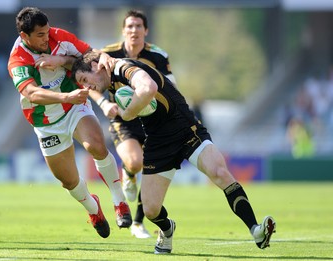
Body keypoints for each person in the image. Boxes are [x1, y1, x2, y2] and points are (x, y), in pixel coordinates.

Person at [71, 51, 277, 254]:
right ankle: (167, 230)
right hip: (158, 142)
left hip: (185, 129)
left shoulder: (122, 68)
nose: (86, 87)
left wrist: (127, 112)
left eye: (84, 79)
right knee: (150, 209)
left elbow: (148, 87)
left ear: (97, 66)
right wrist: (54, 59)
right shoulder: (107, 75)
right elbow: (72, 57)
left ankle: (256, 230)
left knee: (220, 173)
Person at [7, 7, 132, 239]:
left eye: (47, 32)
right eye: (40, 35)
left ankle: (119, 201)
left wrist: (67, 59)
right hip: (45, 120)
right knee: (68, 181)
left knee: (96, 144)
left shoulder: (59, 36)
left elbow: (88, 56)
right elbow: (33, 94)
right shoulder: (18, 60)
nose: (47, 37)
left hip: (74, 106)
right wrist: (65, 96)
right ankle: (94, 209)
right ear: (25, 37)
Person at [89, 9, 177, 239]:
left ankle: (138, 223)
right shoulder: (107, 54)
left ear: (146, 31)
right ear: (123, 30)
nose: (134, 30)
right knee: (135, 162)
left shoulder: (158, 56)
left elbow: (171, 87)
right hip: (121, 117)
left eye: (138, 26)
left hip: (151, 119)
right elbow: (90, 85)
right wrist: (104, 105)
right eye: (129, 26)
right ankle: (128, 173)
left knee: (151, 168)